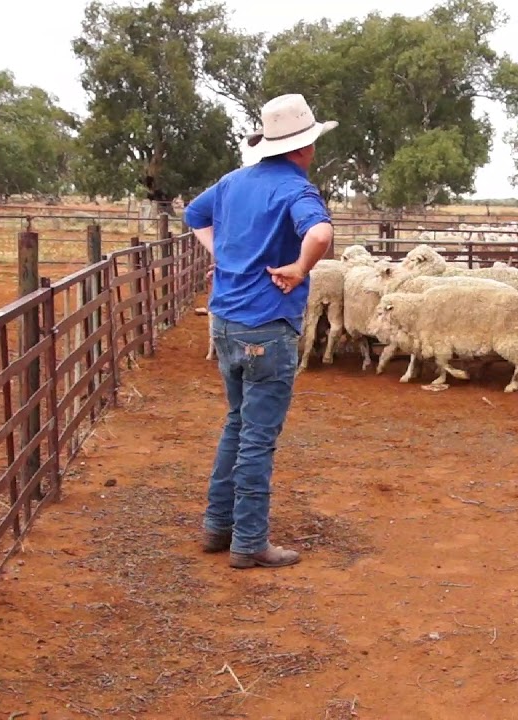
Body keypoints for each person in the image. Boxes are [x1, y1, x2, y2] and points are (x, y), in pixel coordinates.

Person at [184, 93, 336, 569]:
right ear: (306, 147)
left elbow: (193, 215)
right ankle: (249, 541)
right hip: (267, 326)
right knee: (257, 437)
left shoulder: (233, 182)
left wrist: (223, 257)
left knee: (236, 422)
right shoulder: (297, 190)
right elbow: (321, 234)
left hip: (226, 322)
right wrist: (297, 267)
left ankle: (217, 526)